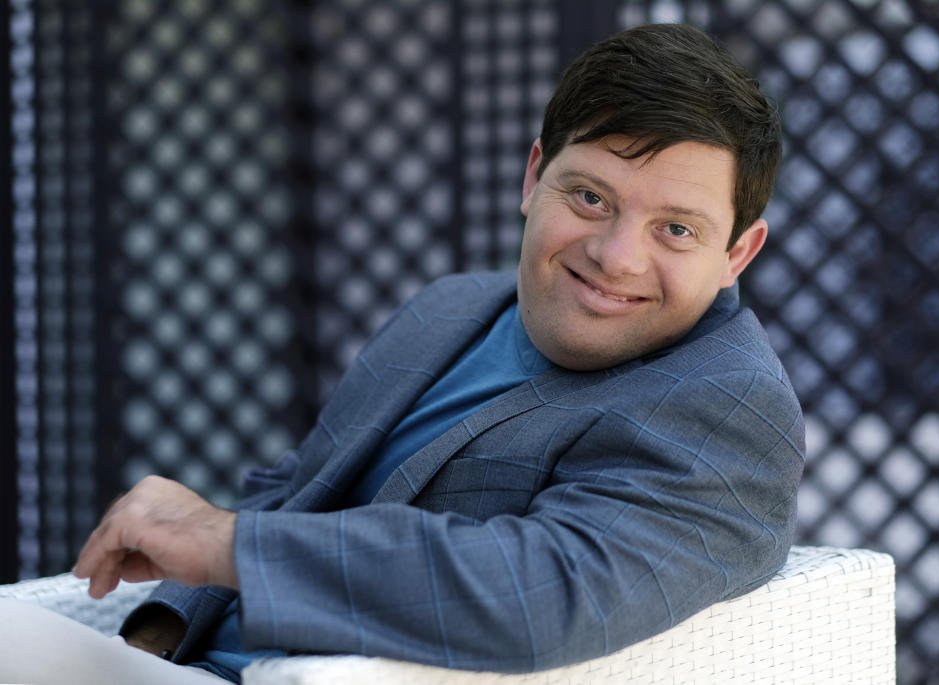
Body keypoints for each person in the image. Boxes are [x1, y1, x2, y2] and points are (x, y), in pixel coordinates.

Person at [0, 23, 803, 684]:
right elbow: (298, 487)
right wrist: (156, 624)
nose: (617, 255)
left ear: (738, 252)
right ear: (533, 177)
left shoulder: (729, 407)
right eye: (590, 197)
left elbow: (539, 589)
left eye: (676, 230)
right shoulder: (449, 307)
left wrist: (226, 545)